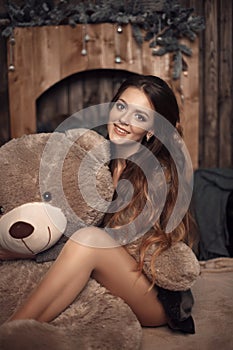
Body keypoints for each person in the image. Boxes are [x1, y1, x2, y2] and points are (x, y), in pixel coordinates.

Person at [6, 74, 195, 329]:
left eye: (139, 116)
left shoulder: (157, 175)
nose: (123, 120)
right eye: (121, 106)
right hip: (108, 273)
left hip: (153, 297)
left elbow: (109, 243)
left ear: (152, 130)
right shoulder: (95, 155)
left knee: (89, 240)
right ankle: (21, 330)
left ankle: (9, 331)